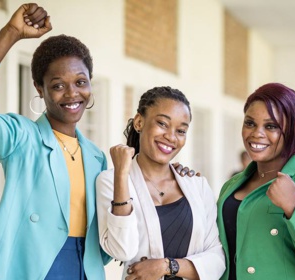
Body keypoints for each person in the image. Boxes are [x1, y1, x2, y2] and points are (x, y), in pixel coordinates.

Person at [0, 4, 110, 279]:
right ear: (39, 87)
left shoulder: (96, 156)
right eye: (58, 85)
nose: (72, 94)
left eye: (80, 82)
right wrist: (10, 33)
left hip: (88, 268)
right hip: (38, 266)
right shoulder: (21, 138)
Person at [96, 86, 226, 280]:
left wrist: (167, 266)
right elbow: (121, 250)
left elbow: (216, 258)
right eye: (163, 124)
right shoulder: (110, 182)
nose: (171, 137)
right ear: (139, 122)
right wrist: (122, 175)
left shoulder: (197, 186)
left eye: (181, 130)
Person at [217, 83, 295, 280]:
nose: (256, 133)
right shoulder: (231, 186)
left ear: (292, 131)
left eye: (271, 126)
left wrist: (293, 208)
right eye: (250, 123)